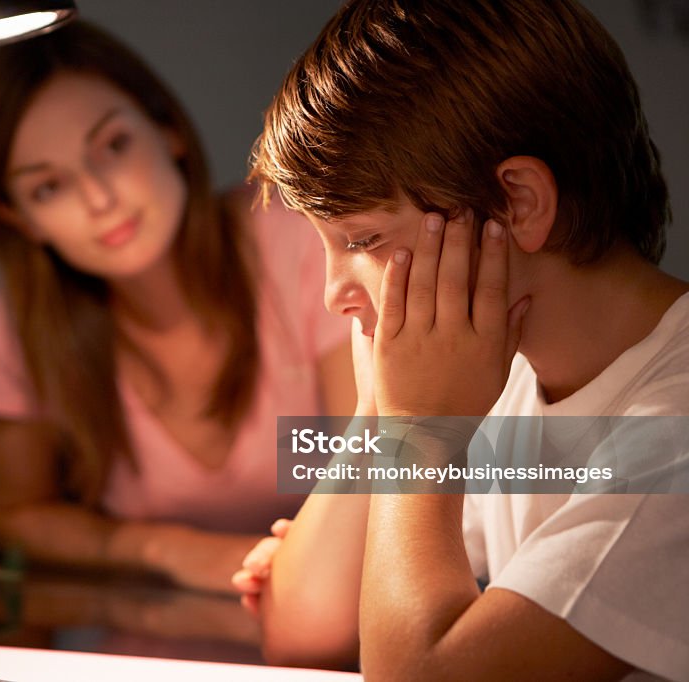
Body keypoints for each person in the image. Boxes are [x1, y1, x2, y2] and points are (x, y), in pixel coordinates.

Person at [232, 0, 689, 679]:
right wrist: (385, 412)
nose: (333, 296)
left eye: (362, 240)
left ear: (518, 204)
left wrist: (419, 432)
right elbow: (303, 628)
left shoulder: (672, 442)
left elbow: (420, 672)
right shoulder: (496, 378)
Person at [0, 19, 355, 595]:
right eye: (49, 187)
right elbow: (14, 516)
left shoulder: (299, 237)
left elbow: (384, 479)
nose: (100, 199)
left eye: (113, 146)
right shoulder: (30, 319)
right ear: (19, 218)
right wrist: (166, 549)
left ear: (167, 129)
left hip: (326, 624)